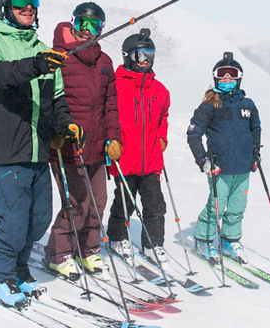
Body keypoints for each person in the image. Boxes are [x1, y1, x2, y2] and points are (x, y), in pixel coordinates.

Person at [0, 0, 84, 306]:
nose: (29, 6)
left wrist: (67, 126)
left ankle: (18, 270)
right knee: (14, 220)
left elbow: (58, 99)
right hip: (5, 150)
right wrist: (36, 65)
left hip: (37, 151)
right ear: (4, 5)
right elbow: (0, 76)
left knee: (37, 220)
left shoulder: (42, 51)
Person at [45, 2, 122, 279]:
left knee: (98, 201)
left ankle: (88, 249)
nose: (87, 32)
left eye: (94, 27)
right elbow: (48, 98)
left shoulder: (105, 62)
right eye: (82, 24)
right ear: (73, 23)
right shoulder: (58, 56)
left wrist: (114, 138)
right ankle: (59, 252)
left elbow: (110, 105)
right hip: (67, 143)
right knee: (76, 202)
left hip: (97, 144)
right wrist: (55, 129)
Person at [187, 52, 261, 264]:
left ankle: (229, 240)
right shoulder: (210, 105)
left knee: (238, 207)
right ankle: (203, 239)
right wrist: (203, 160)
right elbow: (193, 133)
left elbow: (255, 129)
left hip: (243, 167)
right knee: (216, 207)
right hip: (219, 167)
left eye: (232, 74)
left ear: (239, 77)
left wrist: (255, 155)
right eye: (222, 75)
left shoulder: (248, 104)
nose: (227, 78)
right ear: (215, 78)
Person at [105, 28, 171, 266]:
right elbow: (107, 116)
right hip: (125, 159)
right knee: (124, 203)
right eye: (139, 55)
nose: (145, 61)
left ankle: (153, 244)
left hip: (151, 160)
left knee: (156, 206)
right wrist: (110, 142)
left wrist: (162, 138)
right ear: (127, 56)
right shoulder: (115, 86)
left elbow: (163, 116)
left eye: (149, 55)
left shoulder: (160, 90)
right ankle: (117, 237)